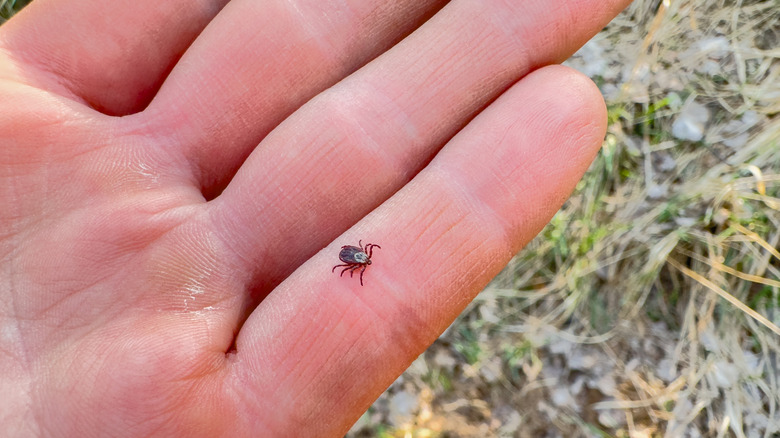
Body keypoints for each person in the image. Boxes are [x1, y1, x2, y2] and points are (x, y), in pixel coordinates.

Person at [0, 0, 632, 436]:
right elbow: (354, 258)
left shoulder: (352, 256)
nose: (357, 258)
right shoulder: (355, 258)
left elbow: (352, 257)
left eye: (357, 257)